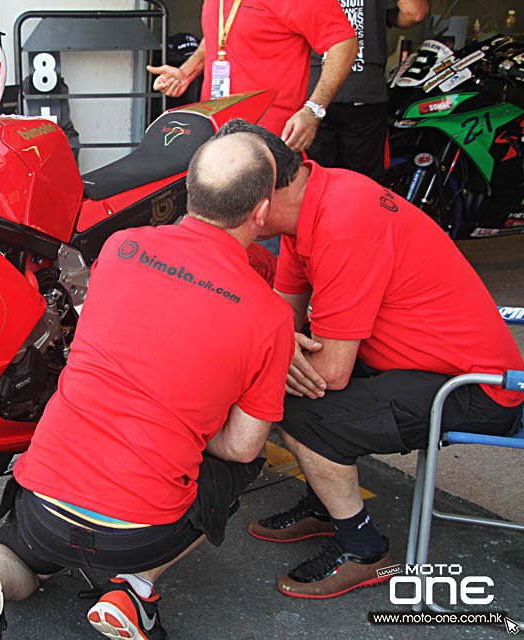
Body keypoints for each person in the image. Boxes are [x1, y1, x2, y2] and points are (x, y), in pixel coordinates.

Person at [0, 131, 295, 640]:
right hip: (140, 530)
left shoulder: (121, 248)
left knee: (13, 554)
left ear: (186, 191)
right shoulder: (270, 316)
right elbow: (242, 448)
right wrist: (194, 427)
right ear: (262, 212)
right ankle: (134, 589)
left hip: (45, 500)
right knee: (243, 465)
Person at [223, 120, 524, 599]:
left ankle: (363, 550)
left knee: (299, 411)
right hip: (414, 364)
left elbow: (329, 372)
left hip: (474, 386)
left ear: (256, 203)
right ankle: (324, 503)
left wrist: (264, 365)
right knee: (286, 388)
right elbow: (283, 320)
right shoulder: (311, 200)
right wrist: (277, 349)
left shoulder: (343, 223)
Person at [146, 0, 359, 152]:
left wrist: (314, 109)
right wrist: (187, 72)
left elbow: (344, 43)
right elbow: (219, 34)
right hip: (217, 134)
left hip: (269, 141)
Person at [305, 0, 429, 180]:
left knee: (314, 184)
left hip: (314, 91)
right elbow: (414, 12)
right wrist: (383, 18)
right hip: (364, 90)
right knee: (361, 186)